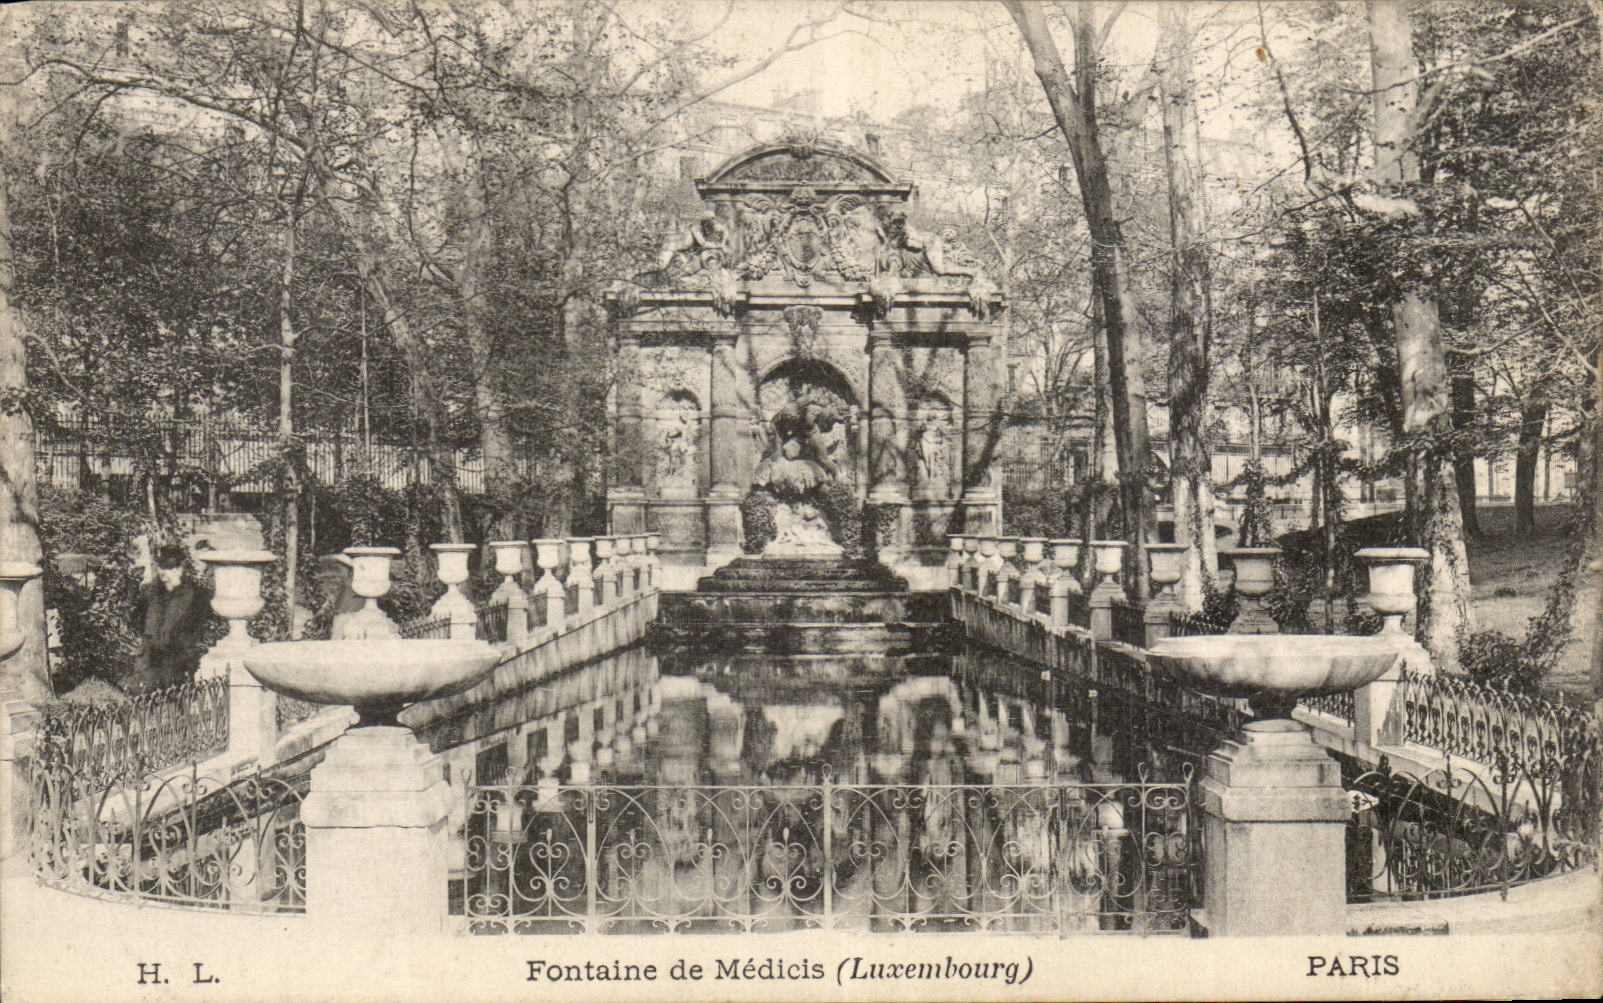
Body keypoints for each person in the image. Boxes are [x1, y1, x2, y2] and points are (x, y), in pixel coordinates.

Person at [132, 544, 201, 693]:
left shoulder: (191, 594)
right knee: (145, 698)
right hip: (150, 657)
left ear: (180, 569)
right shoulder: (150, 592)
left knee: (175, 699)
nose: (163, 572)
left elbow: (195, 625)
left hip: (177, 658)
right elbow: (137, 617)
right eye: (161, 567)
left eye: (169, 567)